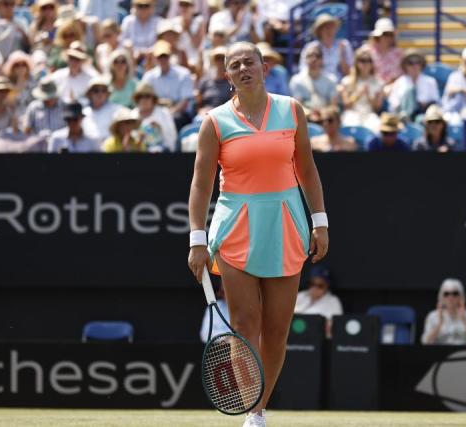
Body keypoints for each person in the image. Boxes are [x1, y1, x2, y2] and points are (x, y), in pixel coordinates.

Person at [187, 42, 328, 427]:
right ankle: (252, 412)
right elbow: (201, 186)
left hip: (286, 222)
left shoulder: (291, 110)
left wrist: (321, 221)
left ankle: (258, 407)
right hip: (235, 226)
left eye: (249, 62)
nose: (243, 69)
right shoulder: (214, 121)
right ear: (228, 77)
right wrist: (197, 239)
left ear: (264, 67)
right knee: (245, 324)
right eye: (235, 66)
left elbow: (308, 170)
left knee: (277, 328)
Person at [141, 40, 194, 129]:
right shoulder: (149, 76)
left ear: (170, 56)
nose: (162, 60)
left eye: (165, 56)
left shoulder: (183, 74)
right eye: (159, 57)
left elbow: (185, 101)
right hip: (155, 111)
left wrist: (170, 113)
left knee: (176, 119)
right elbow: (143, 98)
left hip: (177, 112)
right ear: (155, 58)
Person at [421, 278, 466, 345]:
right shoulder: (432, 316)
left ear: (461, 296)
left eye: (455, 293)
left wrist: (465, 321)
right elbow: (425, 342)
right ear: (441, 297)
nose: (450, 297)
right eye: (446, 294)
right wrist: (439, 324)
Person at [338, 45, 383, 133]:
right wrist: (358, 95)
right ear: (356, 63)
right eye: (362, 60)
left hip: (369, 114)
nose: (365, 64)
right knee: (350, 127)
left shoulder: (378, 83)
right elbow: (346, 105)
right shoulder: (346, 81)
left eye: (368, 61)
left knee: (376, 129)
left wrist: (368, 96)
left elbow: (377, 108)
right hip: (352, 113)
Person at [289, 43, 338, 119]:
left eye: (317, 56)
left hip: (326, 119)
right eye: (310, 56)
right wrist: (311, 114)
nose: (314, 59)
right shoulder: (296, 80)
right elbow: (297, 106)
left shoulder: (331, 80)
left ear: (322, 60)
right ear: (305, 59)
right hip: (304, 118)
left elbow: (333, 106)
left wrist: (322, 113)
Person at [387, 50, 439, 120]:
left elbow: (436, 101)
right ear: (405, 66)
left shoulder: (430, 81)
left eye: (417, 62)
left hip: (423, 115)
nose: (414, 66)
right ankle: (406, 116)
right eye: (410, 63)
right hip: (401, 115)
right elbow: (393, 103)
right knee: (410, 91)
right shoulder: (399, 82)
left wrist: (424, 104)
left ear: (421, 64)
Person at [298, 14, 353, 79]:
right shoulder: (310, 47)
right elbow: (303, 69)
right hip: (317, 82)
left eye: (332, 27)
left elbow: (350, 73)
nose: (329, 30)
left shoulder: (344, 44)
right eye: (326, 27)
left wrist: (341, 55)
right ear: (319, 30)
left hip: (339, 85)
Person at [294, 266, 343, 338]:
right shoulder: (300, 296)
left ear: (327, 286)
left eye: (320, 285)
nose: (315, 288)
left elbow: (336, 327)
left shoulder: (333, 301)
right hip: (292, 338)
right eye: (312, 284)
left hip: (316, 341)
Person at [132, 82, 177, 152]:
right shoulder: (132, 114)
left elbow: (172, 137)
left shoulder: (164, 113)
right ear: (137, 99)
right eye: (140, 96)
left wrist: (160, 127)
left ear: (153, 99)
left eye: (147, 96)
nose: (144, 99)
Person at [81, 76, 124, 146]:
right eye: (96, 90)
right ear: (90, 93)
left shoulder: (117, 110)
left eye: (103, 90)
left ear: (107, 94)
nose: (100, 93)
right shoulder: (83, 112)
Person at [367, 17, 403, 87]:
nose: (388, 37)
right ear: (377, 36)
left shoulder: (398, 53)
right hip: (372, 88)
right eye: (385, 34)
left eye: (390, 34)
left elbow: (401, 75)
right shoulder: (367, 52)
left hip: (394, 89)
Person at [195, 46, 231, 116]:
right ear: (213, 61)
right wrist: (200, 110)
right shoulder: (205, 80)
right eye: (217, 58)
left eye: (223, 58)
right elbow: (198, 102)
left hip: (225, 114)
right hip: (205, 113)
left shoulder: (233, 81)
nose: (220, 61)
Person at [3, 50, 35, 116]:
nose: (21, 68)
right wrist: (19, 83)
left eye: (23, 64)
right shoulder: (7, 84)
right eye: (17, 65)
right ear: (12, 68)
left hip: (32, 115)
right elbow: (9, 103)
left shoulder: (33, 82)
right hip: (14, 117)